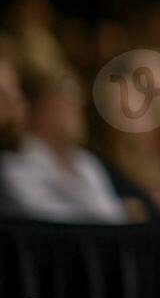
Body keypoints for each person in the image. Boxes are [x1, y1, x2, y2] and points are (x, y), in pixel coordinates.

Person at [0, 61, 127, 223]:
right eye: (68, 93)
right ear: (40, 106)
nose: (79, 103)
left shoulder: (87, 163)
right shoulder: (14, 167)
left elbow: (113, 218)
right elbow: (52, 225)